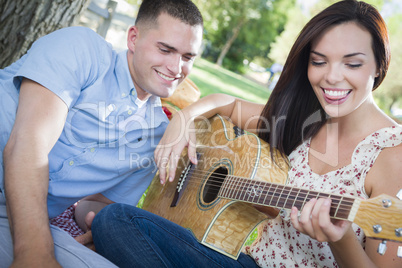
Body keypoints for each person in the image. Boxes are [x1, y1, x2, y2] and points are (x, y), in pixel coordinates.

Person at [91, 1, 402, 267]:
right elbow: (226, 103)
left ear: (378, 66)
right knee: (117, 220)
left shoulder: (393, 154)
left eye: (353, 63)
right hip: (245, 261)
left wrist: (341, 238)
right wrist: (183, 120)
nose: (332, 77)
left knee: (112, 224)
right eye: (318, 61)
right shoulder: (307, 118)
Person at [0, 0, 203, 266]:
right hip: (28, 225)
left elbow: (96, 203)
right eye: (165, 49)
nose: (177, 69)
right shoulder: (81, 49)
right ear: (133, 38)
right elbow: (27, 145)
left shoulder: (155, 136)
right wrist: (35, 254)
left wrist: (99, 226)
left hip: (19, 218)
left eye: (187, 57)